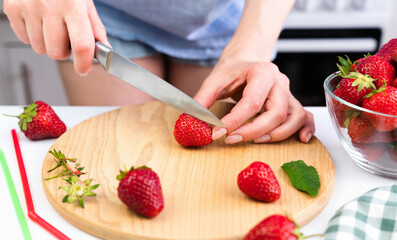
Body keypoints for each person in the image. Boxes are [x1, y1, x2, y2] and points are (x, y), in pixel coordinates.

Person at [3, 0, 315, 145]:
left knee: (220, 144)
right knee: (122, 148)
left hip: (224, 21)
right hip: (103, 17)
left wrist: (251, 48)